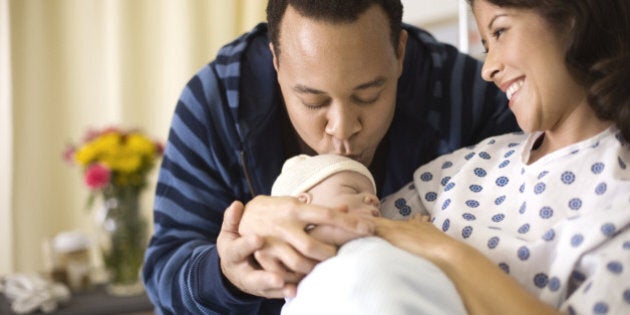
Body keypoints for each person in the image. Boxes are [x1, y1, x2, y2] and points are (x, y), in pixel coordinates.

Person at [142, 0, 519, 313]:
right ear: (275, 61)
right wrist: (226, 273)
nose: (342, 128)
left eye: (368, 96)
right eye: (313, 101)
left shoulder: (465, 93)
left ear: (400, 52)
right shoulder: (218, 101)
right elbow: (164, 273)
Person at [345, 0, 628, 314]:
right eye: (485, 45)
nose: (488, 69)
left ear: (574, 18)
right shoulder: (461, 170)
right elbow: (348, 232)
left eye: (500, 31)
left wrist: (446, 253)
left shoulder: (620, 199)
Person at [262, 153, 467, 315]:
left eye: (374, 196)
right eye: (352, 190)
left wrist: (416, 233)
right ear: (302, 202)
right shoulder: (301, 244)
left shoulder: (380, 236)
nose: (372, 199)